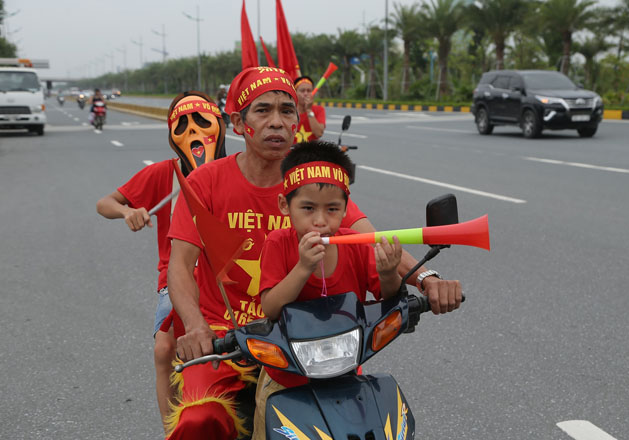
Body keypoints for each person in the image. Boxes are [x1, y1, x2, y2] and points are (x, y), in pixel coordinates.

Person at [166, 66, 462, 440]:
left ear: (297, 121)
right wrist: (196, 327)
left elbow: (372, 242)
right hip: (229, 338)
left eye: (287, 111)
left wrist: (426, 279)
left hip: (307, 341)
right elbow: (180, 265)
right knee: (199, 423)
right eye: (264, 110)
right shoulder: (205, 183)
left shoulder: (315, 185)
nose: (277, 121)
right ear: (239, 123)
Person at [251, 141, 402, 439]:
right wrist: (302, 268)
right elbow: (270, 307)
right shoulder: (278, 244)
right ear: (285, 205)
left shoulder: (355, 247)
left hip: (345, 376)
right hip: (286, 380)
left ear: (346, 208)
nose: (320, 221)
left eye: (332, 209)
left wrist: (388, 273)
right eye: (308, 208)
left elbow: (388, 296)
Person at [96, 91, 226, 433]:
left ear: (222, 125)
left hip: (231, 279)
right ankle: (174, 430)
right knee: (164, 348)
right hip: (179, 277)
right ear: (171, 137)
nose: (192, 131)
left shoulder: (239, 169)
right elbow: (104, 203)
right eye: (181, 125)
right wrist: (128, 211)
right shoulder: (162, 176)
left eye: (201, 120)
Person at [293, 76, 325, 143]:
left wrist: (309, 110)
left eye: (309, 91)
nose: (306, 94)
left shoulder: (319, 110)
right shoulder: (289, 111)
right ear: (295, 93)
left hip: (311, 152)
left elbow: (319, 133)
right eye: (302, 91)